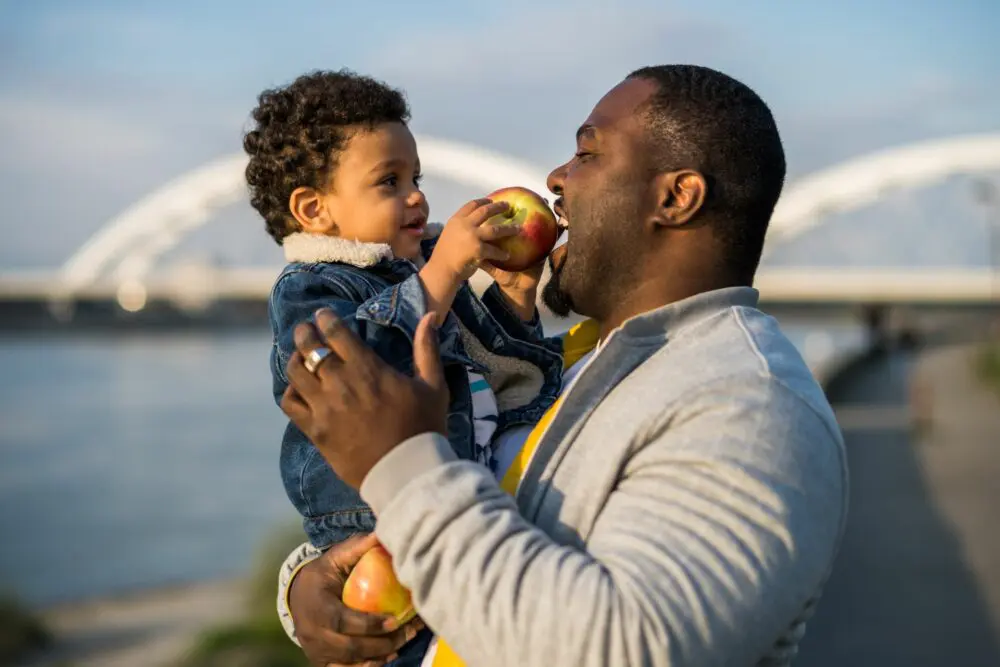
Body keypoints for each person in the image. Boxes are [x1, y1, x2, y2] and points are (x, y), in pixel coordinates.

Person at [276, 64, 850, 667]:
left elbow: (628, 647)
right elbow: (491, 527)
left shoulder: (752, 407)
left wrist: (406, 466)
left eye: (586, 154)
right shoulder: (593, 361)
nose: (554, 178)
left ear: (675, 198)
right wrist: (308, 586)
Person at [242, 69, 565, 665]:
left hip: (452, 497)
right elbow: (360, 369)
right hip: (375, 519)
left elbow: (503, 375)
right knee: (406, 643)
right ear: (314, 209)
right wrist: (442, 272)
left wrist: (516, 295)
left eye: (415, 177)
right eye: (389, 181)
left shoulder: (415, 269)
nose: (416, 195)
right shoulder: (312, 286)